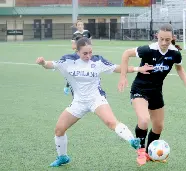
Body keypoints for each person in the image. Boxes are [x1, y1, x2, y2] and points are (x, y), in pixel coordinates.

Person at [36, 37, 154, 167]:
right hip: (78, 102)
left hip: (96, 99)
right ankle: (62, 157)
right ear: (77, 51)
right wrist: (42, 63)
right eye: (85, 53)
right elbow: (50, 65)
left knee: (111, 122)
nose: (88, 56)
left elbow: (117, 68)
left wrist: (138, 69)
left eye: (90, 52)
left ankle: (132, 140)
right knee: (59, 130)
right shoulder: (67, 60)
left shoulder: (98, 61)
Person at [118, 23, 186, 166]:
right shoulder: (148, 50)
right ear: (157, 37)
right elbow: (126, 54)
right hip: (139, 89)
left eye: (167, 39)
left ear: (172, 38)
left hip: (156, 92)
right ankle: (141, 151)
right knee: (143, 120)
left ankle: (150, 152)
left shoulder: (174, 53)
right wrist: (123, 76)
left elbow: (179, 68)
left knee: (159, 126)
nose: (164, 43)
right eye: (161, 39)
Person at [64, 21, 92, 95]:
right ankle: (67, 86)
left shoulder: (87, 32)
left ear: (83, 25)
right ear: (77, 26)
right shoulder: (75, 34)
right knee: (73, 70)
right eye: (78, 25)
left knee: (88, 69)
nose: (80, 26)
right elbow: (73, 47)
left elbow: (90, 43)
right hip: (78, 55)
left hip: (86, 55)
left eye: (81, 24)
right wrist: (81, 47)